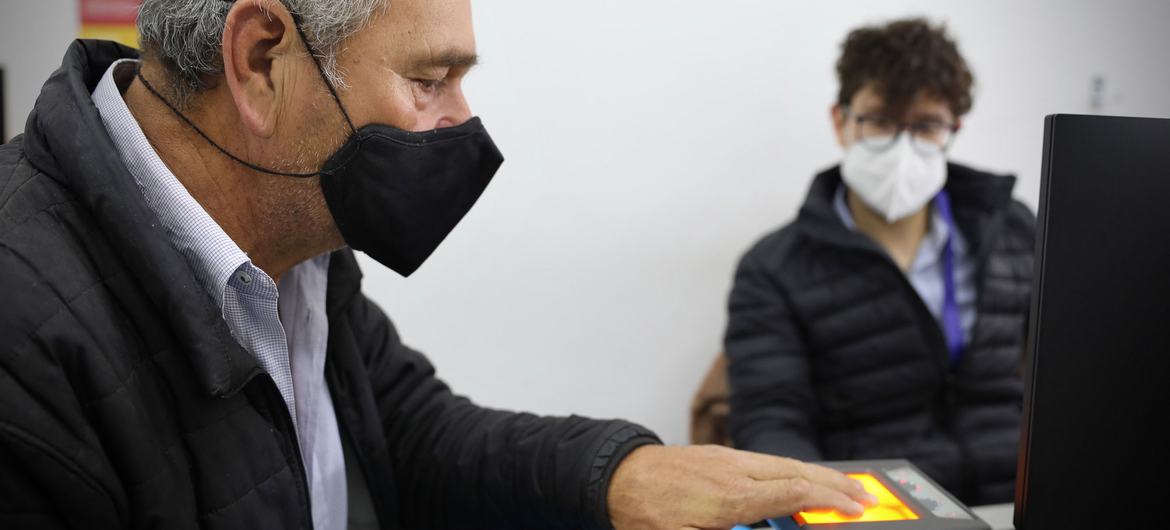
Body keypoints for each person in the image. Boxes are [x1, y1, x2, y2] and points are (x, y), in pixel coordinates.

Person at [0, 1, 877, 529]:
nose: (463, 122)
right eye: (430, 80)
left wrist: (618, 477)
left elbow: (408, 438)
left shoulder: (296, 244)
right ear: (262, 57)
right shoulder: (25, 336)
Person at [724, 18, 1035, 505]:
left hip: (1015, 498)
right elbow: (771, 418)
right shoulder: (774, 268)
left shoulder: (1014, 230)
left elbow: (1073, 370)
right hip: (878, 506)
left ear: (954, 128)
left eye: (927, 124)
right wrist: (817, 503)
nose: (902, 147)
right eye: (881, 121)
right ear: (841, 121)